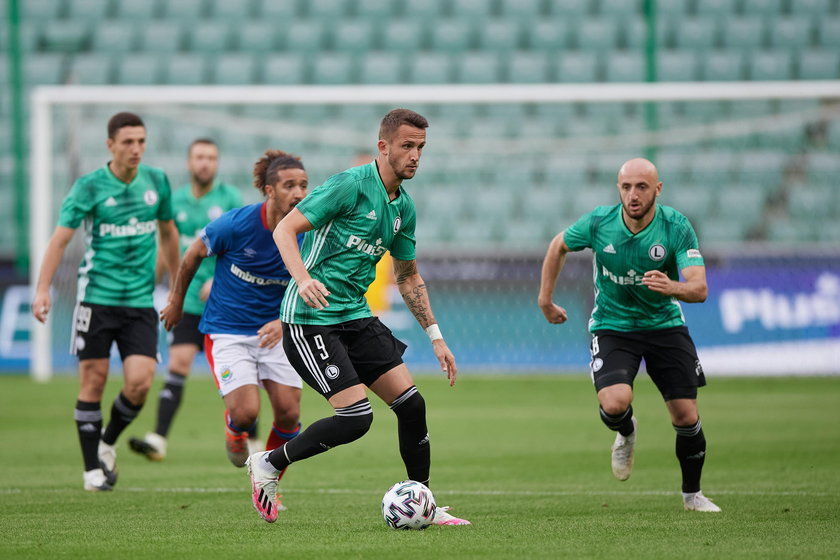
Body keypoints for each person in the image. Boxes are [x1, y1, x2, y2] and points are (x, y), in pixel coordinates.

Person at [245, 108, 471, 526]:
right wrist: (304, 278)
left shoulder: (404, 207)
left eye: (421, 147)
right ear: (383, 147)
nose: (415, 155)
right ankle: (270, 463)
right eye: (407, 146)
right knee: (356, 419)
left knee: (412, 404)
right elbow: (284, 230)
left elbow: (408, 277)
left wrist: (437, 337)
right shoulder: (349, 185)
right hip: (310, 318)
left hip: (355, 316)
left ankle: (424, 502)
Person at [537, 157, 721, 513]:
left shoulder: (676, 226)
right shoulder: (599, 223)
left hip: (664, 324)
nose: (633, 195)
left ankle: (692, 495)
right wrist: (545, 299)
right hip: (613, 325)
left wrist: (672, 286)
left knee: (685, 416)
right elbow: (557, 245)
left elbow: (699, 289)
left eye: (641, 187)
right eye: (626, 187)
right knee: (614, 403)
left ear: (658, 190)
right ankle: (626, 430)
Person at [31, 112, 180, 491]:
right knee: (93, 381)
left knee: (140, 383)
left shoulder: (157, 181)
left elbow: (168, 234)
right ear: (110, 145)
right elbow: (60, 240)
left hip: (139, 302)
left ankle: (107, 441)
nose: (136, 149)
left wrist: (178, 287)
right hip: (96, 299)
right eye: (128, 142)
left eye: (141, 141)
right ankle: (91, 471)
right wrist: (43, 289)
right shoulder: (89, 187)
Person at [159, 150, 305, 493]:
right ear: (269, 191)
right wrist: (177, 300)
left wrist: (284, 323)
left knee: (288, 414)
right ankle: (234, 428)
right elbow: (193, 252)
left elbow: (315, 283)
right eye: (289, 185)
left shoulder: (309, 232)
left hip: (277, 333)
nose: (299, 193)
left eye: (303, 185)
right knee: (246, 413)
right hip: (228, 331)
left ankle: (266, 480)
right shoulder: (237, 224)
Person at [129, 138, 243, 461]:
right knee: (178, 363)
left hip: (225, 303)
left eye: (211, 157)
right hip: (188, 303)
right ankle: (159, 438)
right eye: (199, 157)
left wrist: (220, 281)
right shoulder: (174, 200)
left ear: (217, 163)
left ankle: (250, 439)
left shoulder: (230, 198)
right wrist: (151, 285)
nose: (205, 163)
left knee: (239, 374)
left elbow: (241, 248)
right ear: (189, 162)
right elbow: (167, 250)